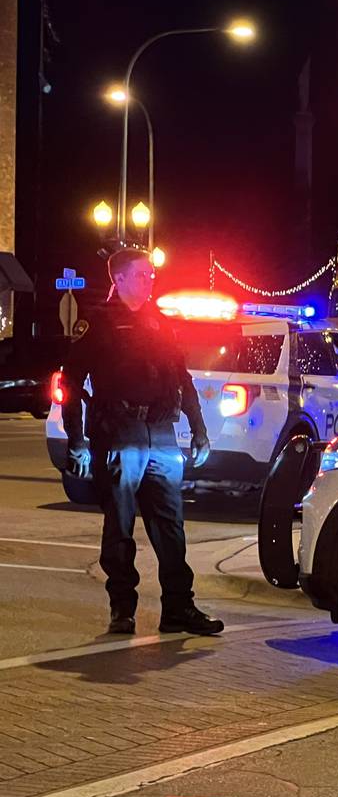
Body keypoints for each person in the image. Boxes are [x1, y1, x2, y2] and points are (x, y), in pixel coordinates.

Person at [59, 247, 223, 636]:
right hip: (119, 431)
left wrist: (198, 427)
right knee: (120, 523)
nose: (151, 280)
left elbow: (181, 378)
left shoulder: (159, 323)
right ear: (119, 279)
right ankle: (122, 609)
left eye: (152, 274)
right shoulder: (98, 323)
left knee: (171, 526)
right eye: (144, 274)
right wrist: (76, 440)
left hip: (161, 432)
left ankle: (179, 608)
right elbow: (69, 383)